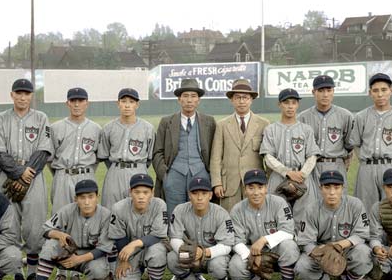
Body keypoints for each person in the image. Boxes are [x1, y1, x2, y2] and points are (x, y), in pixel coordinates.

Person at [0, 78, 54, 280]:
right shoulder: (0, 119)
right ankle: (17, 274)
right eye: (19, 93)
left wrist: (27, 177)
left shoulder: (41, 118)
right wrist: (18, 173)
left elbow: (44, 150)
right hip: (6, 176)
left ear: (31, 96)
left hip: (33, 178)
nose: (22, 97)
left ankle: (33, 274)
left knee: (35, 227)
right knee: (9, 226)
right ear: (12, 95)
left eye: (26, 93)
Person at [29, 179, 113, 280]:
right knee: (51, 244)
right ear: (75, 199)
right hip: (66, 254)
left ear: (97, 197)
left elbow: (103, 248)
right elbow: (45, 229)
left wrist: (78, 259)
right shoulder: (67, 210)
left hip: (88, 257)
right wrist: (59, 234)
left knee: (99, 270)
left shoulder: (106, 215)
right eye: (82, 197)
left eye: (91, 197)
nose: (86, 202)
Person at [49, 87, 102, 280]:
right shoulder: (56, 128)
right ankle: (61, 270)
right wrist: (61, 174)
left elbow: (98, 157)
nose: (77, 104)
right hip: (63, 174)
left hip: (86, 175)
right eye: (73, 100)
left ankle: (76, 271)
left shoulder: (96, 128)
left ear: (87, 103)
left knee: (83, 222)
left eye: (81, 100)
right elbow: (50, 158)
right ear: (67, 103)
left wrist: (86, 172)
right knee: (61, 221)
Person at [295, 170, 372, 280]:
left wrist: (339, 245)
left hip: (347, 248)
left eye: (336, 187)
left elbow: (362, 234)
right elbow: (306, 241)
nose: (332, 192)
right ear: (320, 189)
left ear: (343, 188)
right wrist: (322, 253)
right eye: (327, 187)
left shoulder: (355, 204)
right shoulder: (311, 209)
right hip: (320, 250)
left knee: (364, 254)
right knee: (302, 268)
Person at [228, 169, 300, 280]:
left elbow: (288, 231)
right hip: (250, 249)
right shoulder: (237, 210)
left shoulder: (279, 203)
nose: (256, 192)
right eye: (251, 188)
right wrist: (250, 256)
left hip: (275, 247)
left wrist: (264, 239)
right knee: (236, 270)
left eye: (260, 187)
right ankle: (256, 278)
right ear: (245, 189)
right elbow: (236, 240)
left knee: (289, 246)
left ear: (266, 188)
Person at [349, 73, 392, 212]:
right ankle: (367, 234)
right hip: (367, 167)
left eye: (384, 90)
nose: (380, 94)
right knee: (365, 208)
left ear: (391, 90)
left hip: (391, 166)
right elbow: (356, 144)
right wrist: (363, 160)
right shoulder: (361, 116)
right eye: (376, 90)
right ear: (370, 93)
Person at [152, 78, 216, 218]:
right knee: (173, 214)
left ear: (198, 100)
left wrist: (210, 174)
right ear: (179, 99)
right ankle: (174, 239)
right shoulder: (166, 122)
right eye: (185, 96)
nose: (189, 100)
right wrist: (165, 176)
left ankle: (198, 239)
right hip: (174, 174)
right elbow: (157, 152)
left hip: (200, 172)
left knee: (200, 212)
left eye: (193, 96)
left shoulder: (209, 122)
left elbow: (215, 152)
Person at [166, 177, 234, 280]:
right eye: (195, 193)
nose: (199, 198)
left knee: (219, 265)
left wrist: (203, 253)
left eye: (204, 193)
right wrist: (189, 252)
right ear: (189, 195)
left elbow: (227, 245)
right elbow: (174, 238)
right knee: (172, 258)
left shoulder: (221, 213)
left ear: (210, 195)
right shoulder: (180, 210)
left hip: (211, 256)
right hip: (190, 254)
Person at [260, 88, 320, 224]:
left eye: (293, 102)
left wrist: (302, 174)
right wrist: (287, 172)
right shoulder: (271, 129)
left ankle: (303, 244)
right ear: (279, 104)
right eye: (286, 102)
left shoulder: (306, 129)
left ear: (298, 104)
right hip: (278, 176)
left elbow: (312, 156)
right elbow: (267, 156)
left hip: (302, 177)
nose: (290, 106)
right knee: (277, 214)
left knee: (304, 215)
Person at [210, 79, 269, 212]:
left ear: (251, 100)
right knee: (230, 220)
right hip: (229, 185)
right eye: (238, 97)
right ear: (232, 100)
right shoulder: (222, 125)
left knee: (255, 219)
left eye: (245, 97)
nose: (241, 101)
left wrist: (267, 182)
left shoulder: (263, 124)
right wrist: (217, 182)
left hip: (256, 185)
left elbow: (269, 157)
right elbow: (215, 157)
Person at [109, 174, 169, 280]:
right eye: (137, 192)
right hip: (128, 252)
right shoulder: (118, 208)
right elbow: (119, 238)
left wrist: (134, 243)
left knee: (158, 250)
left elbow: (158, 235)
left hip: (150, 247)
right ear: (130, 192)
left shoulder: (159, 205)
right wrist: (124, 260)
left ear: (152, 192)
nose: (141, 196)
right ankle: (136, 276)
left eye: (145, 192)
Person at [98, 88, 154, 209]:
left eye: (131, 101)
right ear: (118, 103)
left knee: (138, 210)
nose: (127, 105)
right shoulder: (108, 128)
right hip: (115, 173)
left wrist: (138, 166)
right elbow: (104, 155)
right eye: (124, 101)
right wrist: (117, 167)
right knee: (110, 209)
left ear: (137, 105)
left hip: (138, 170)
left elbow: (149, 157)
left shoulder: (147, 128)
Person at [297, 75, 354, 192]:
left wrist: (343, 165)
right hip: (311, 167)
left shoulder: (345, 116)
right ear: (313, 92)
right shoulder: (302, 117)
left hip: (336, 164)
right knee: (311, 204)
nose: (325, 94)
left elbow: (349, 146)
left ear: (333, 91)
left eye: (329, 90)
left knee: (339, 203)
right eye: (321, 90)